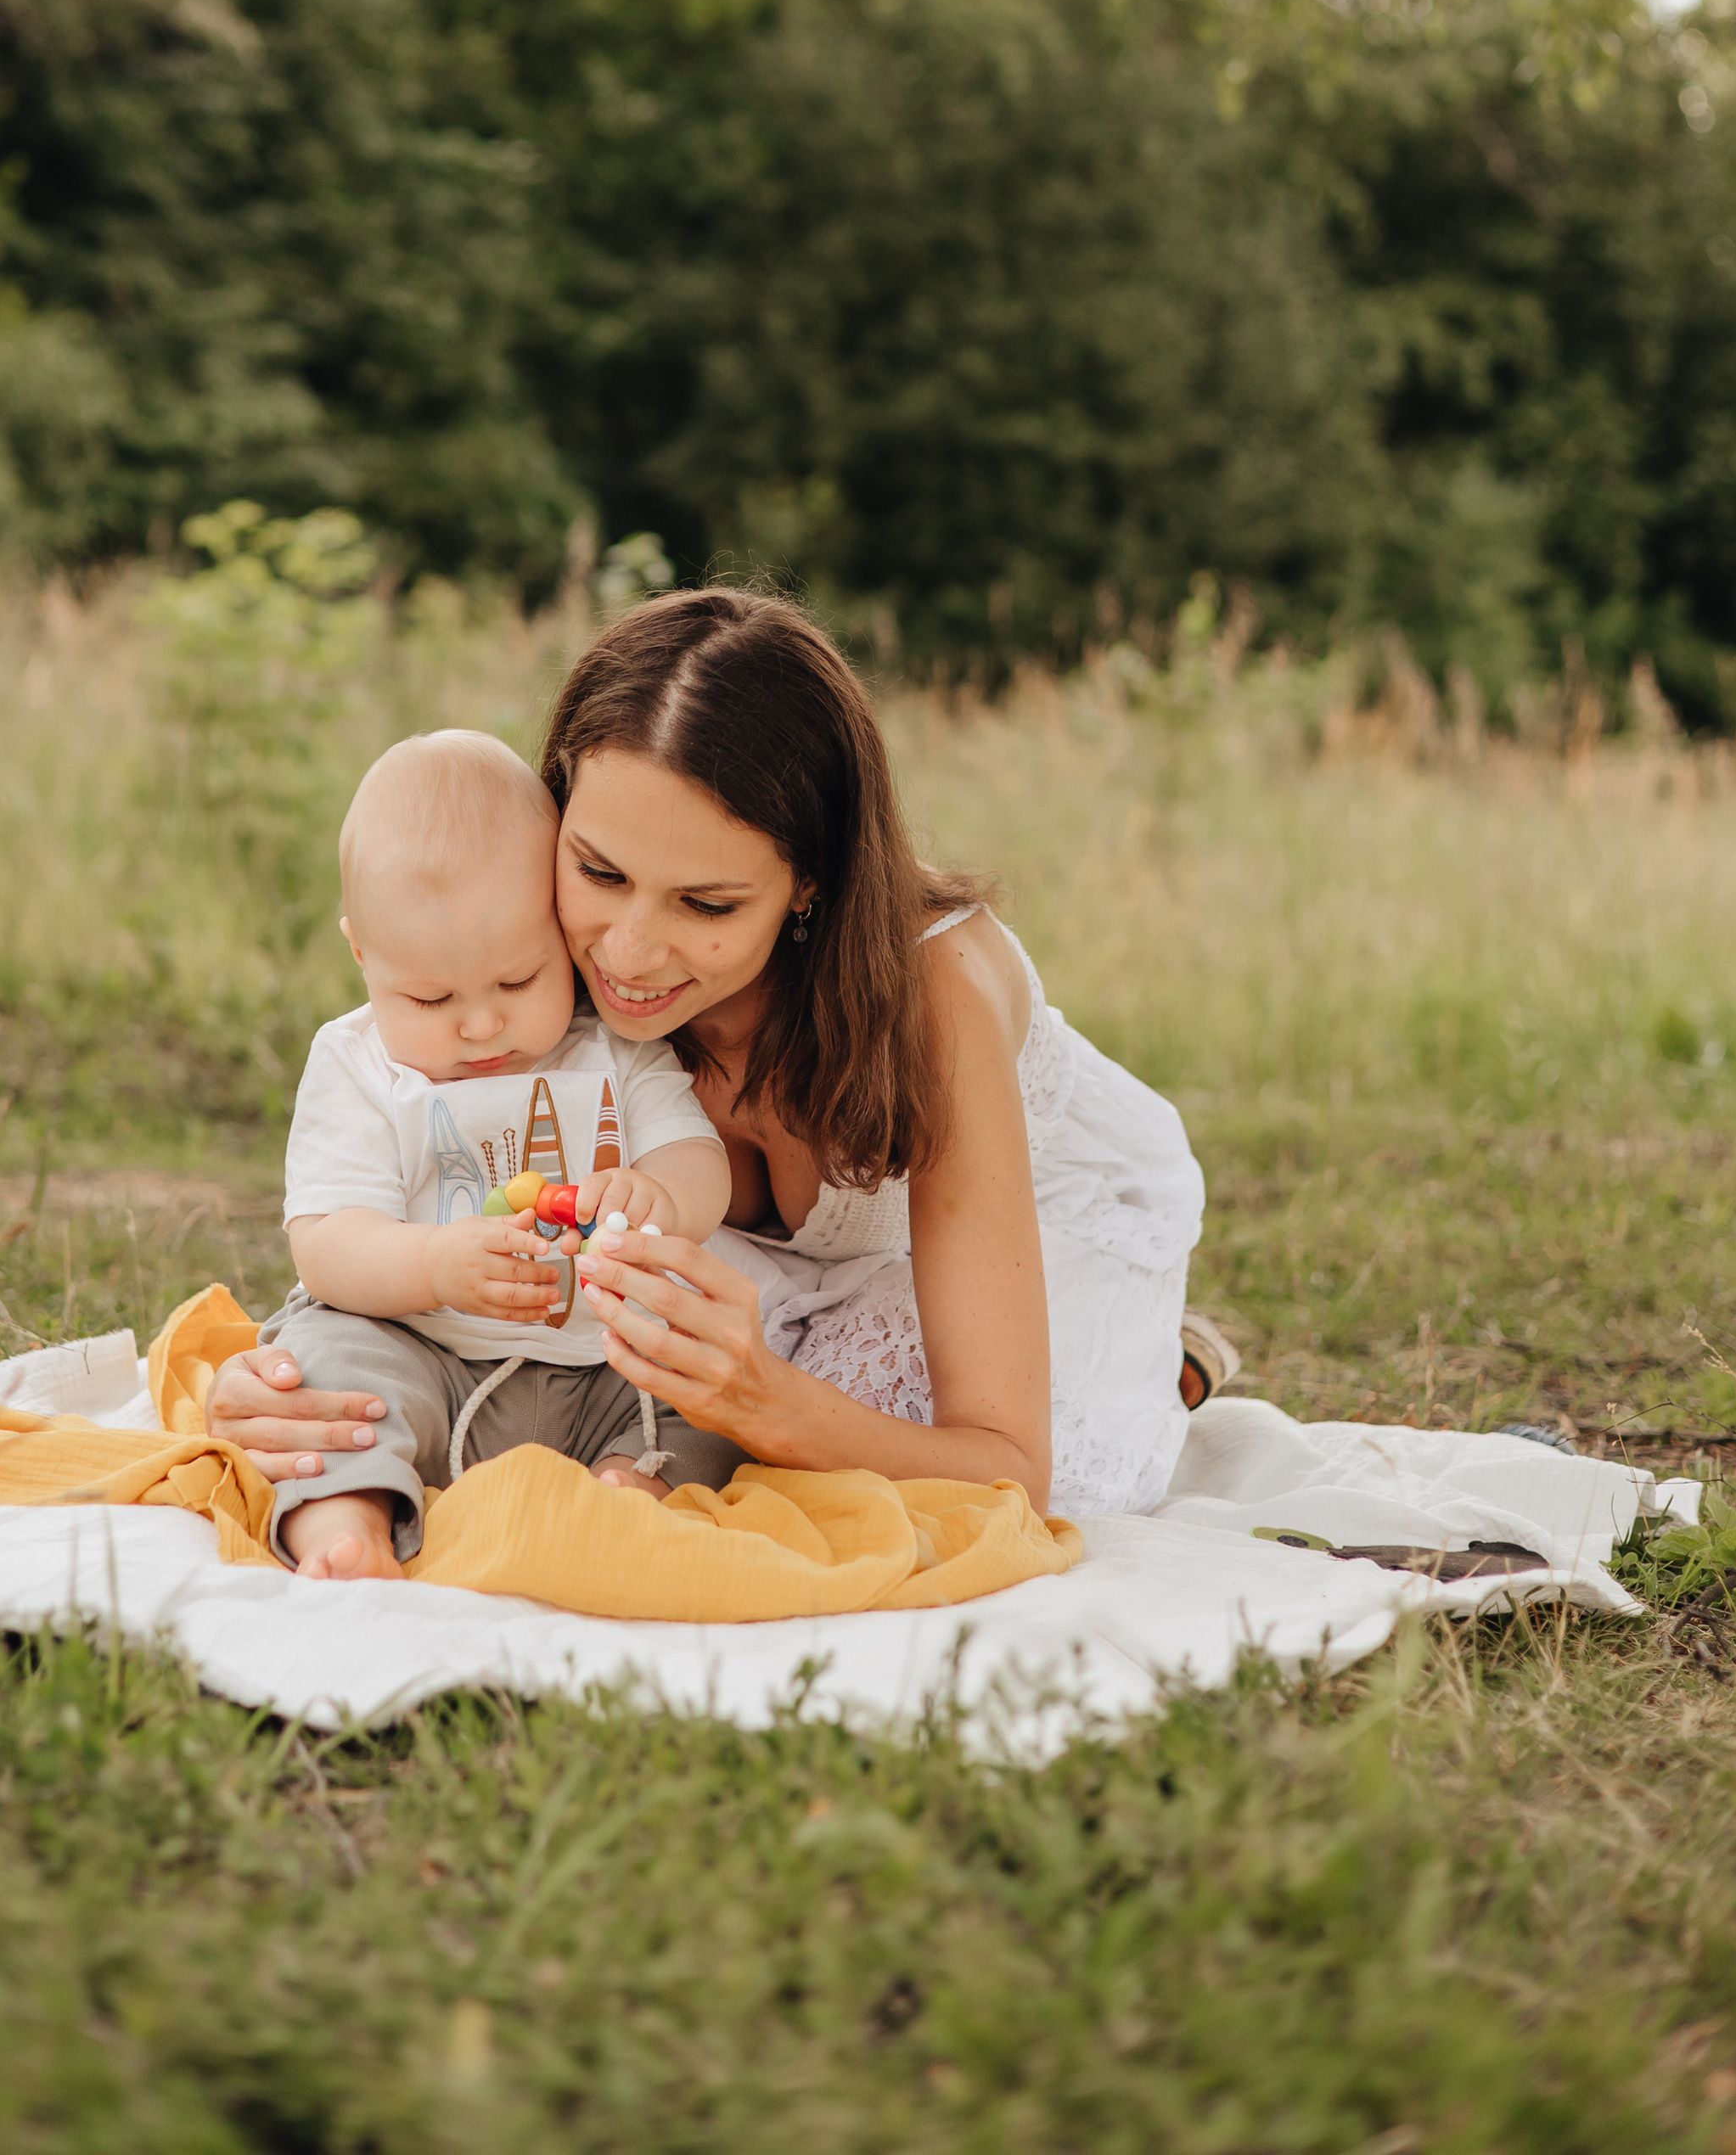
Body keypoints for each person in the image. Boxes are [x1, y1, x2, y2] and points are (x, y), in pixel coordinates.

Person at [214, 591, 1209, 1526]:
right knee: (635, 1368)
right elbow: (434, 1193)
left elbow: (1004, 1469)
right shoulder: (526, 963)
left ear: (809, 884)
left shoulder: (932, 997)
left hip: (1035, 1223)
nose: (629, 954)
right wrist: (288, 1381)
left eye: (708, 905)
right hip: (772, 1262)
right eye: (600, 870)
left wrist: (768, 1401)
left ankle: (1166, 1362)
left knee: (829, 1436)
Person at [267, 727, 739, 1579]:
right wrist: (433, 1266)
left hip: (600, 1367)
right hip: (421, 1353)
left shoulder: (615, 1054)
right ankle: (346, 1528)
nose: (481, 1025)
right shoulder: (358, 1065)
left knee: (705, 1406)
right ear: (361, 954)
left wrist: (656, 1196)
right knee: (326, 1377)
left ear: (558, 929)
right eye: (430, 995)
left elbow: (699, 1163)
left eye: (519, 981)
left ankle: (623, 1490)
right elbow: (327, 1242)